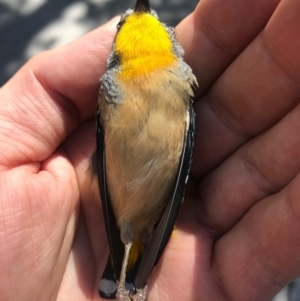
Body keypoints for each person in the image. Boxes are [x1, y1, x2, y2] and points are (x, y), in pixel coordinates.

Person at [1, 0, 300, 300]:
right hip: (124, 216)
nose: (140, 13)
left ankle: (133, 267)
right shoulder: (110, 88)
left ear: (168, 36)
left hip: (156, 206)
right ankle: (125, 275)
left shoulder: (180, 84)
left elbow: (182, 164)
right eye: (123, 22)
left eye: (151, 17)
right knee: (128, 231)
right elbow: (102, 164)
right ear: (118, 43)